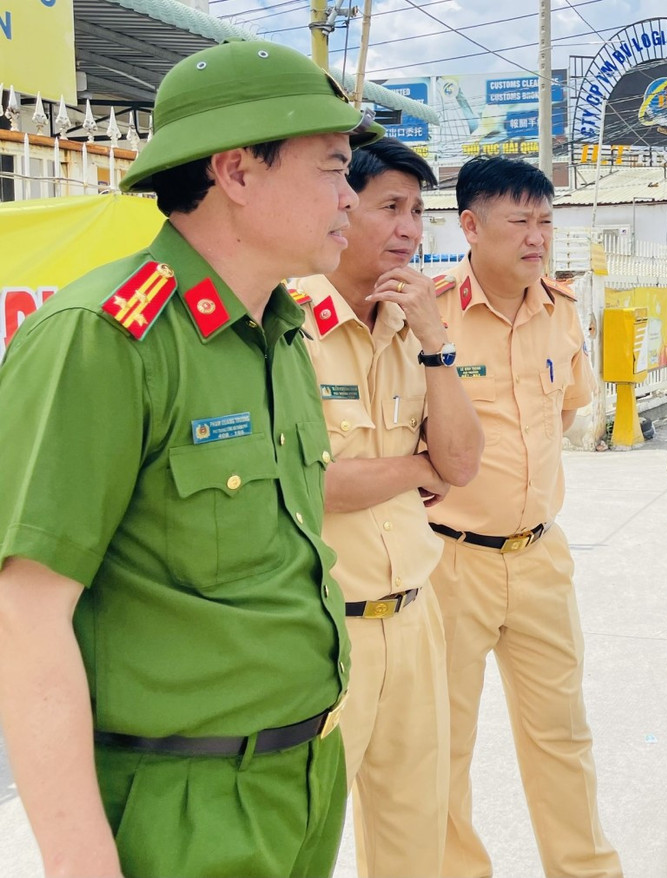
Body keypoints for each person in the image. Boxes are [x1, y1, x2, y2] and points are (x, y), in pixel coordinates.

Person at [0, 40, 383, 876]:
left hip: (302, 779)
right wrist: (80, 862)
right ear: (236, 172)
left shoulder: (279, 333)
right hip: (181, 807)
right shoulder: (105, 338)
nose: (351, 198)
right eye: (331, 168)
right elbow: (25, 616)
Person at [295, 137, 485, 876]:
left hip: (413, 618)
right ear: (343, 206)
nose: (409, 229)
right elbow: (309, 484)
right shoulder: (290, 325)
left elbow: (461, 463)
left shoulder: (413, 327)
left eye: (417, 211)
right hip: (324, 630)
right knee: (304, 837)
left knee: (415, 837)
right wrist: (416, 468)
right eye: (391, 207)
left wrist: (436, 341)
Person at [428, 155, 621, 878]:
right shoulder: (429, 315)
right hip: (450, 560)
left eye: (546, 220)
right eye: (520, 221)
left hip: (540, 557)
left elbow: (567, 410)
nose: (537, 237)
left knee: (563, 737)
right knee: (444, 745)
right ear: (471, 226)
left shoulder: (561, 310)